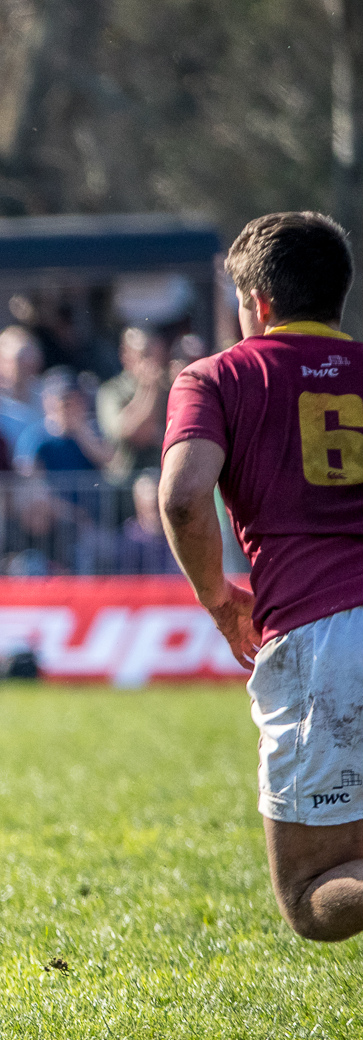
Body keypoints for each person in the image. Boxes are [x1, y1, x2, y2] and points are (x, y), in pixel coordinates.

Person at [161, 210, 363, 942]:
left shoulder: (217, 377)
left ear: (259, 302)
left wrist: (219, 601)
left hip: (319, 634)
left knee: (311, 896)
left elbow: (184, 498)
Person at [98, 327, 171, 483]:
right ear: (126, 355)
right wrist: (149, 391)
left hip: (166, 475)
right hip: (126, 480)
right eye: (145, 355)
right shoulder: (113, 391)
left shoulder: (171, 388)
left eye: (157, 355)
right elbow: (130, 431)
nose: (153, 363)